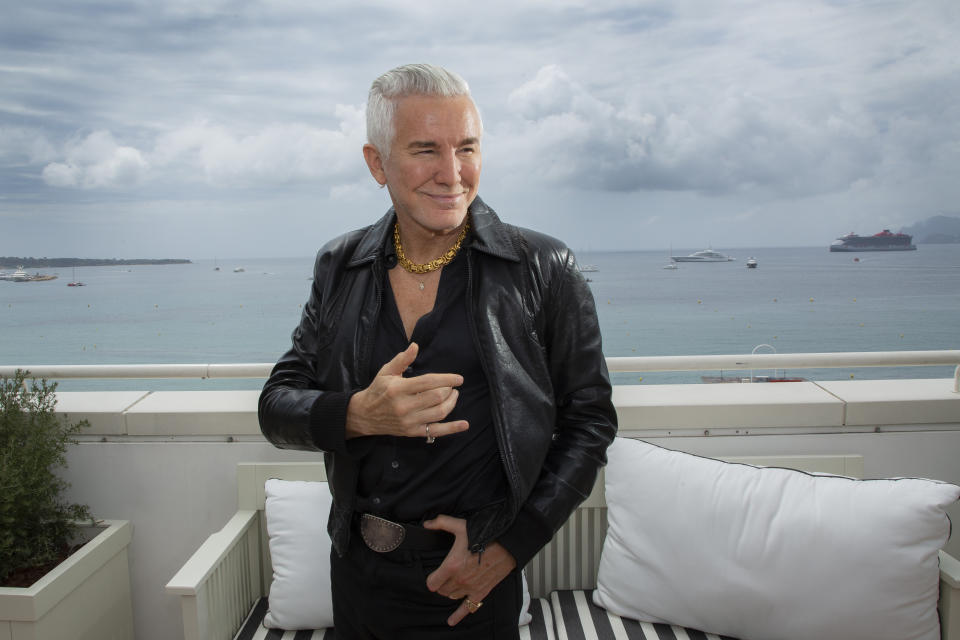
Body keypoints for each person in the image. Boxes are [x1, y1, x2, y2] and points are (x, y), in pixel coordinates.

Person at [259, 63, 617, 639]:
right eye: (425, 149)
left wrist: (510, 548)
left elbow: (590, 421)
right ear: (377, 163)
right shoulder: (338, 266)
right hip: (357, 579)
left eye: (467, 148)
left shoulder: (544, 269)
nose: (452, 173)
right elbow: (276, 406)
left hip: (473, 585)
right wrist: (357, 415)